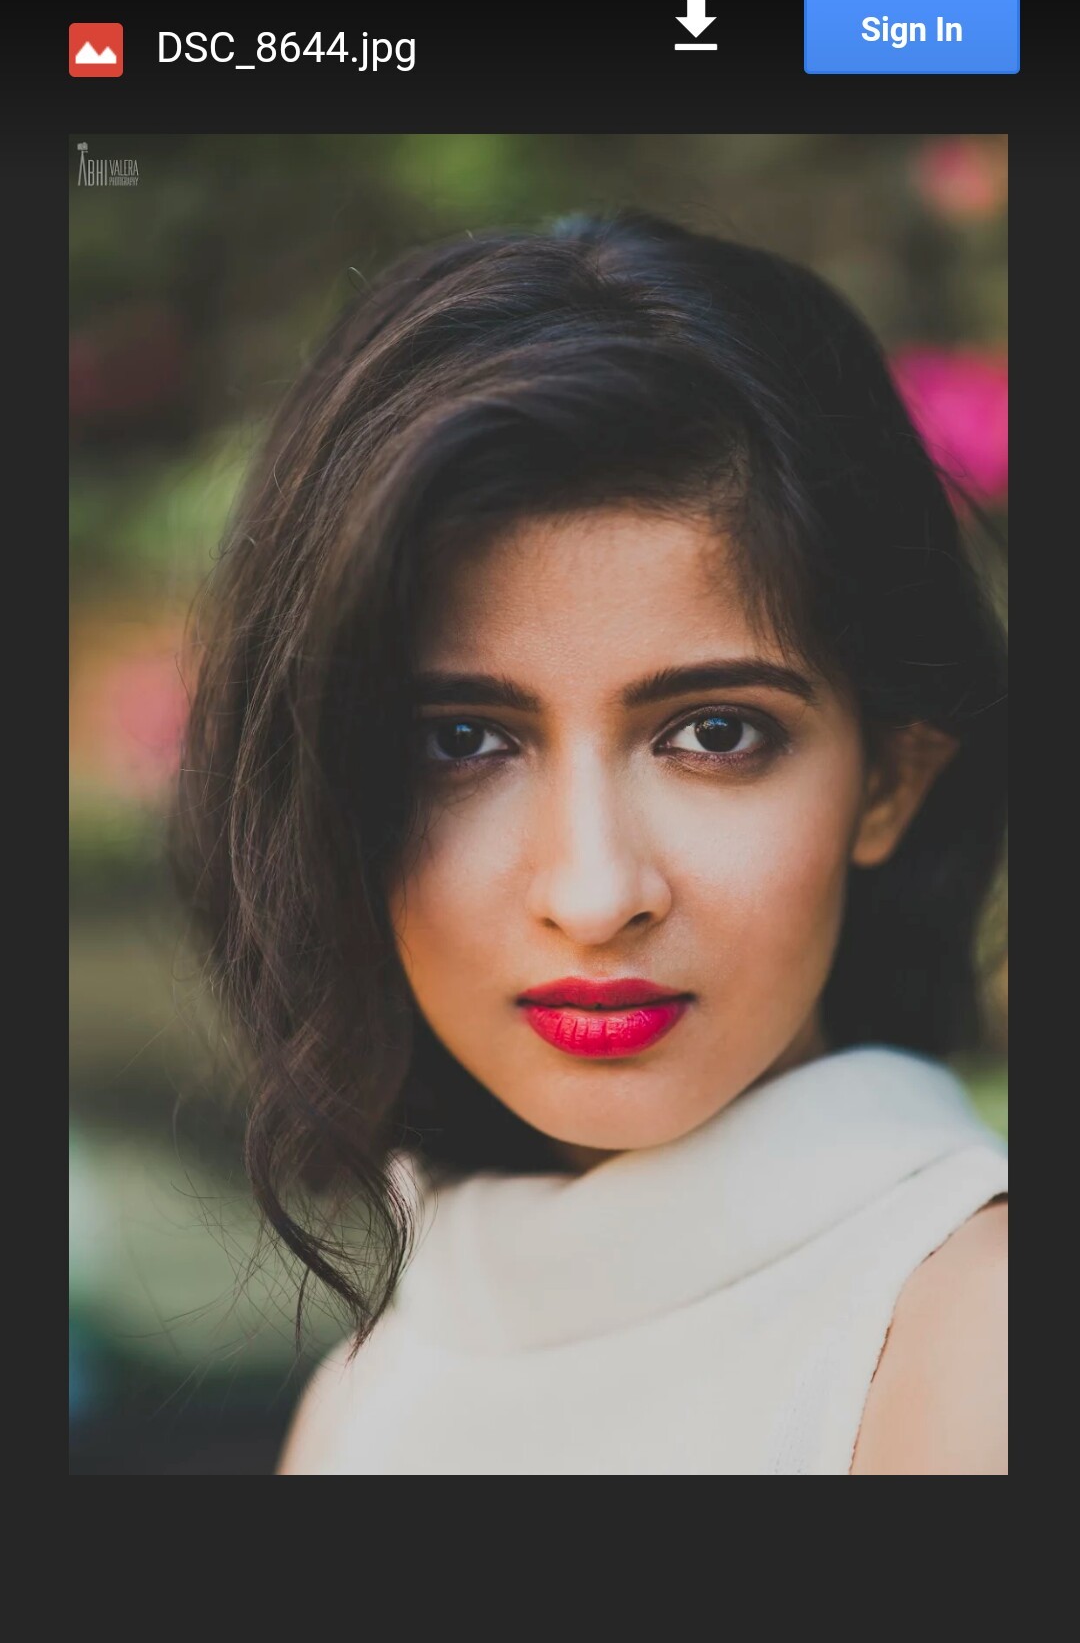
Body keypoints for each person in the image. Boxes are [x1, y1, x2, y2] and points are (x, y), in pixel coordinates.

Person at [174, 213, 1008, 1475]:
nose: (595, 892)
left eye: (715, 732)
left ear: (889, 781)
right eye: (462, 742)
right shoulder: (368, 1387)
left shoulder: (973, 1342)